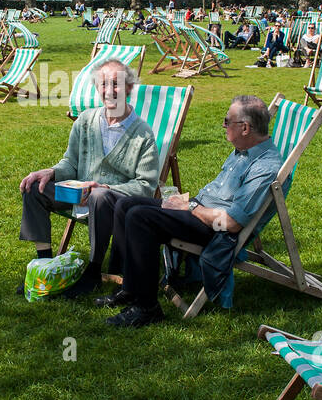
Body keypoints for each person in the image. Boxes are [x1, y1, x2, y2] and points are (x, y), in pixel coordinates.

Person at [95, 95, 284, 328]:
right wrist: (187, 204)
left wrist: (190, 207)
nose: (223, 125)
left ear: (245, 128)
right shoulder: (243, 150)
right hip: (200, 211)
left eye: (227, 121)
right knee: (126, 205)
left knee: (140, 218)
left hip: (215, 228)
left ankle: (147, 308)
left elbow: (232, 223)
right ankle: (131, 290)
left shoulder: (265, 167)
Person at [18, 59, 159, 301]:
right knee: (34, 188)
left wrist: (105, 187)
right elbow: (70, 163)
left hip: (112, 204)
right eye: (103, 84)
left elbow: (146, 186)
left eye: (116, 84)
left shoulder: (142, 133)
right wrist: (50, 172)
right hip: (77, 194)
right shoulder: (85, 121)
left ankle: (93, 272)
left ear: (129, 88)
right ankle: (46, 266)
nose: (109, 91)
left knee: (99, 196)